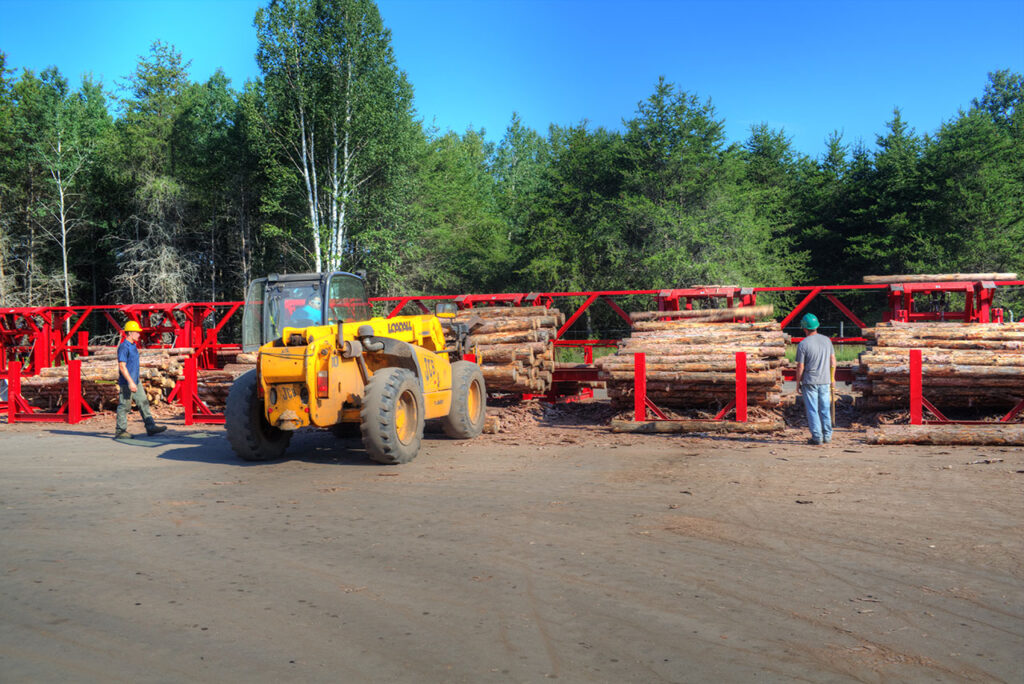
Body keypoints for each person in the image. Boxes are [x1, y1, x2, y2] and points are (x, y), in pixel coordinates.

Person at [115, 321, 167, 440]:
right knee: (124, 406)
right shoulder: (124, 347)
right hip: (127, 383)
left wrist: (135, 381)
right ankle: (120, 431)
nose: (139, 334)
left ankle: (150, 427)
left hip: (135, 381)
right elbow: (122, 366)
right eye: (137, 332)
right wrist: (130, 382)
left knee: (143, 402)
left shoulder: (133, 345)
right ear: (130, 333)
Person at [794, 313, 836, 445]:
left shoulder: (803, 344)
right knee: (824, 409)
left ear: (804, 328)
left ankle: (817, 437)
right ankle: (827, 436)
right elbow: (833, 361)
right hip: (825, 380)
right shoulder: (827, 340)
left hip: (810, 382)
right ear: (816, 326)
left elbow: (800, 367)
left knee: (812, 409)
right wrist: (832, 378)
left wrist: (797, 383)